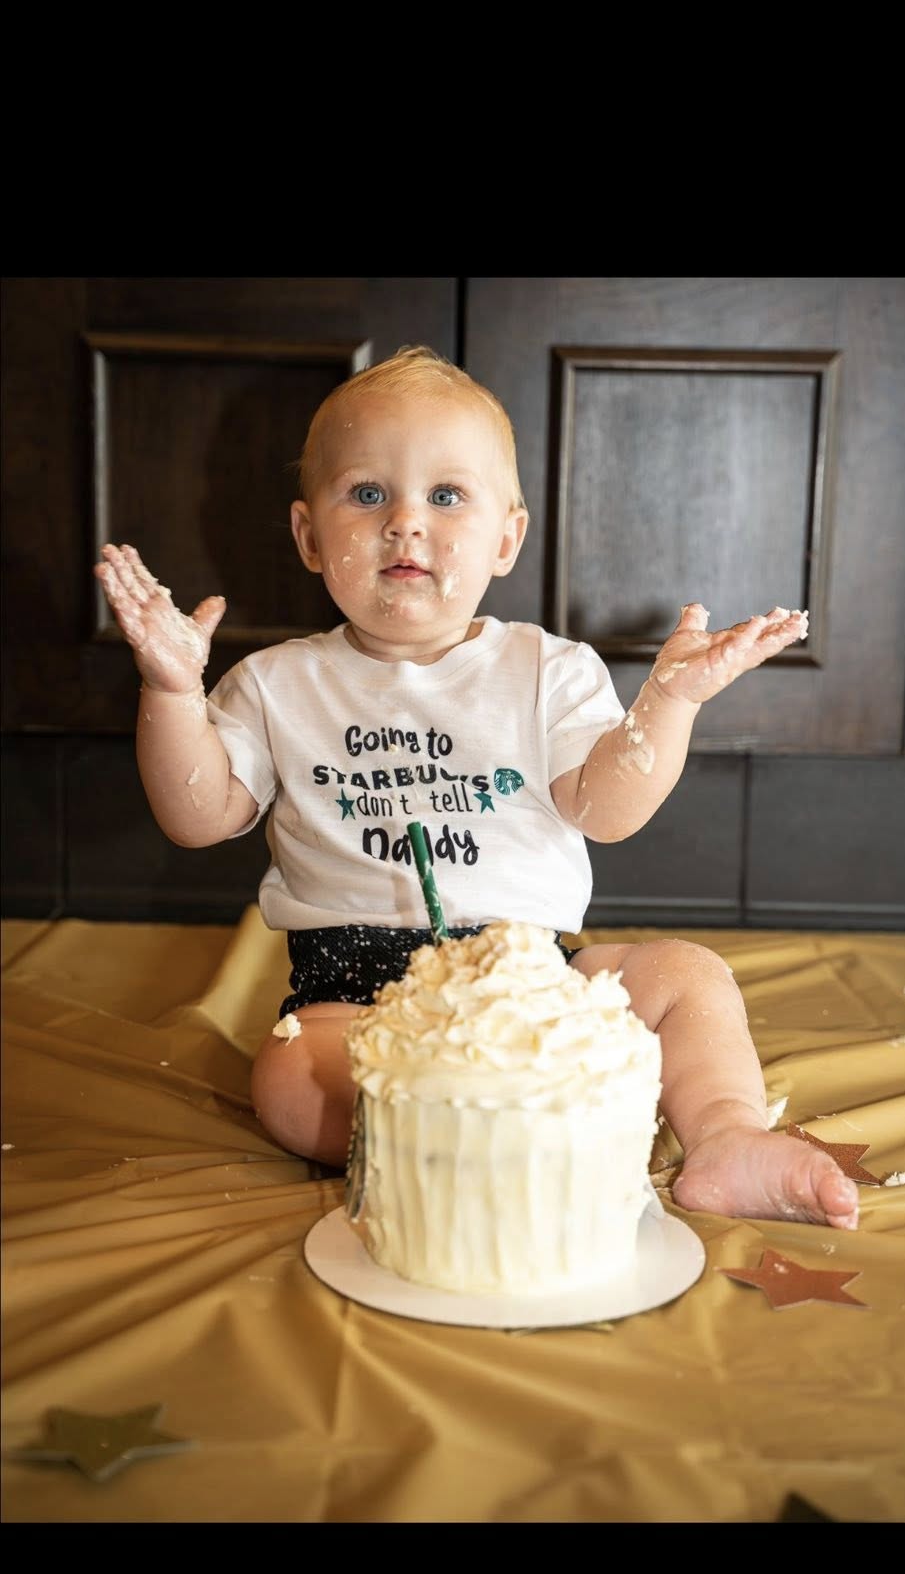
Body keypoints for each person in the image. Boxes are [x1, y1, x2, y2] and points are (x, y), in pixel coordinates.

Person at [95, 345, 859, 1231]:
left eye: (445, 496)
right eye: (368, 494)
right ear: (309, 536)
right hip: (357, 990)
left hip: (530, 975)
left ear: (506, 537)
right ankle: (484, 1138)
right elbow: (199, 815)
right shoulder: (275, 684)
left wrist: (670, 701)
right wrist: (172, 691)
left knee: (689, 977)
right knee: (292, 1082)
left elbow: (604, 813)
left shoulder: (549, 670)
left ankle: (724, 1137)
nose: (405, 524)